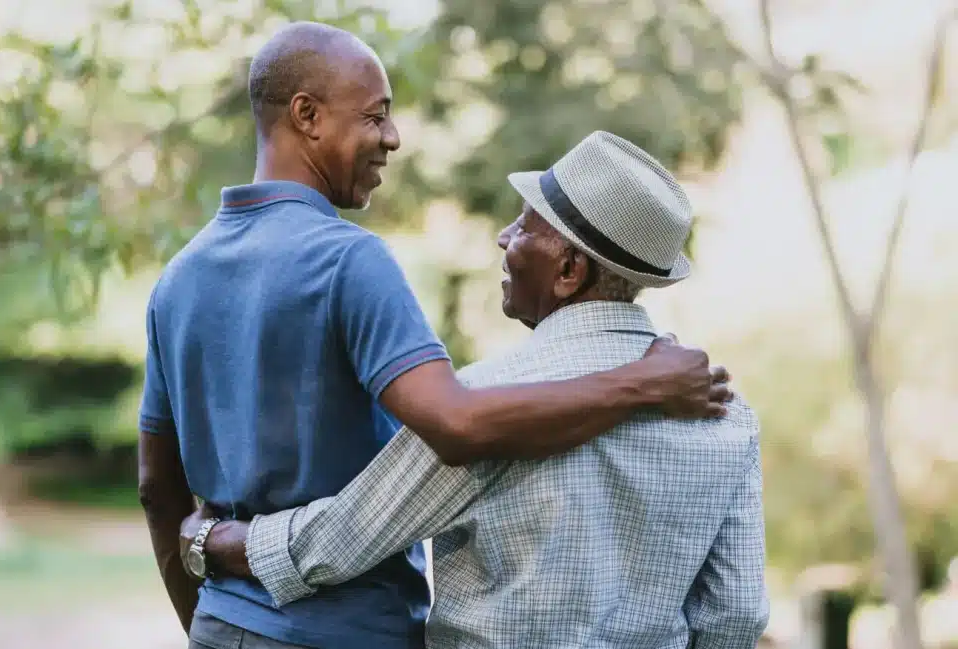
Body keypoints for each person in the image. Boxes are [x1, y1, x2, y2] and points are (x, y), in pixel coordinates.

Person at [138, 20, 731, 649]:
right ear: (307, 115)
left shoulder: (178, 279)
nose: (392, 138)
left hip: (220, 623)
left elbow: (157, 488)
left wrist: (211, 619)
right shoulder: (347, 262)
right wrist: (639, 384)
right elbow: (458, 425)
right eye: (375, 117)